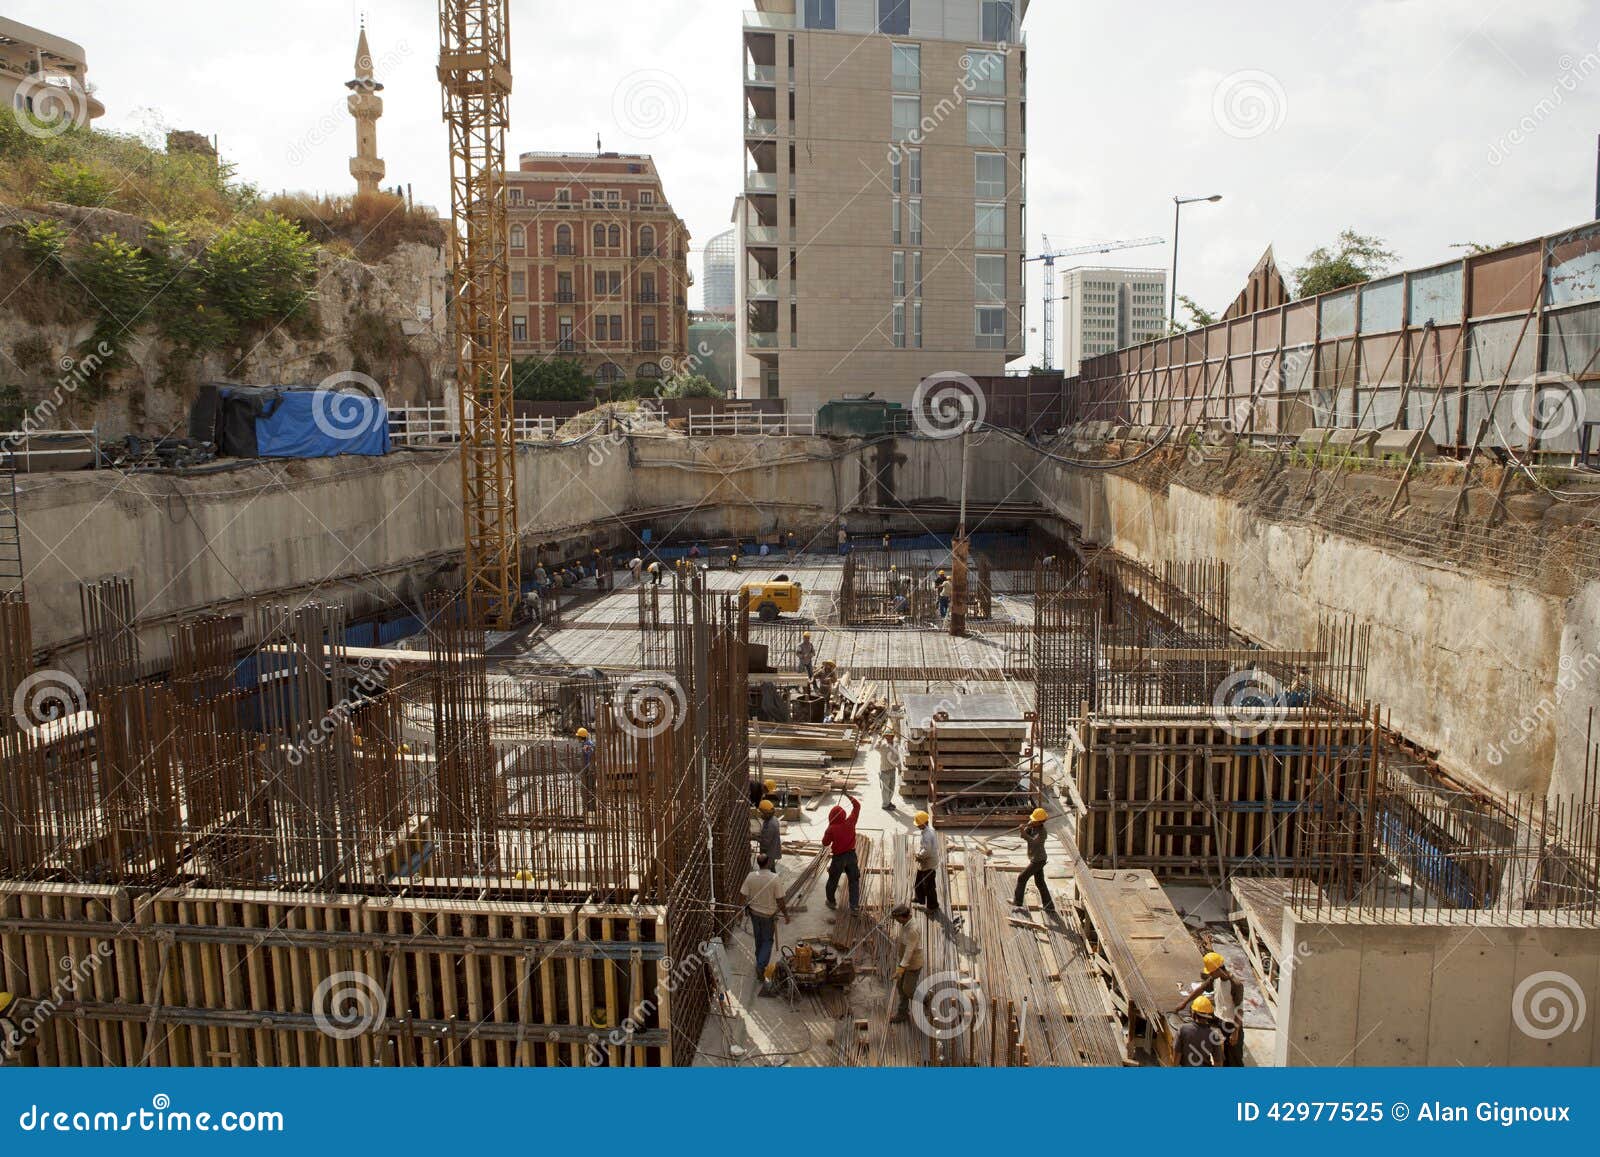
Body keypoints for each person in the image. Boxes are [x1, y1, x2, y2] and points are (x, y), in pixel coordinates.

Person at [1176, 953, 1245, 1067]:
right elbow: (1201, 989)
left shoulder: (1235, 984)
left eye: (1212, 972)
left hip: (1231, 1025)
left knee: (1234, 1059)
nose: (1210, 974)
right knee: (1222, 1055)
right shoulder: (1215, 979)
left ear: (1219, 969)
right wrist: (1184, 1003)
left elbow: (1239, 1010)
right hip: (1219, 1020)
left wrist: (1235, 1032)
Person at [740, 854, 790, 989]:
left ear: (758, 863)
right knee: (767, 940)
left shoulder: (751, 876)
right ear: (768, 863)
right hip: (768, 916)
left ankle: (759, 960)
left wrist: (743, 909)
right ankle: (761, 966)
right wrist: (786, 914)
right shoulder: (774, 878)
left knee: (759, 938)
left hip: (754, 914)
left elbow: (743, 894)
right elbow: (780, 900)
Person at [821, 793, 862, 912]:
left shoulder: (831, 829)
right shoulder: (851, 821)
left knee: (833, 880)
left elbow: (825, 843)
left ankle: (831, 902)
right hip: (851, 856)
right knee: (854, 881)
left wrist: (828, 829)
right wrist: (847, 795)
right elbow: (857, 806)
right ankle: (854, 906)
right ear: (843, 814)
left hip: (838, 858)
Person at [1013, 808, 1056, 915]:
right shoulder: (1033, 827)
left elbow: (1033, 842)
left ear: (1040, 822)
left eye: (1034, 820)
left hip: (1038, 860)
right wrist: (1026, 827)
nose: (1032, 821)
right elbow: (1023, 836)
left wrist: (1023, 831)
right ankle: (1049, 906)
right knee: (1040, 882)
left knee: (1022, 877)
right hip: (1035, 858)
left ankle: (1018, 902)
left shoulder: (1042, 833)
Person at [888, 904, 924, 1024]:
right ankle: (902, 1013)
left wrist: (900, 970)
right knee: (900, 986)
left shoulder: (912, 930)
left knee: (908, 990)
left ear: (903, 917)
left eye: (897, 918)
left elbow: (909, 953)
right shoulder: (906, 923)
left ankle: (926, 999)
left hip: (913, 963)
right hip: (904, 961)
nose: (896, 921)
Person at [1173, 994, 1222, 1067]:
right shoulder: (1213, 1035)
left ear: (1193, 1013)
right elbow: (1218, 1063)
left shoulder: (1183, 1030)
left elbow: (1176, 1059)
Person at [912, 811, 940, 914]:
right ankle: (919, 898)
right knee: (918, 881)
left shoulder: (927, 835)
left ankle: (933, 906)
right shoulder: (928, 831)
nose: (917, 826)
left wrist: (919, 856)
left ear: (923, 824)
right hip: (926, 862)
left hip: (929, 863)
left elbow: (927, 850)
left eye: (918, 824)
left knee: (929, 886)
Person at [876, 725, 902, 810]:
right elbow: (876, 747)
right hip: (884, 771)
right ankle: (885, 805)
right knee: (885, 789)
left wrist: (899, 769)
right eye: (886, 736)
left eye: (890, 736)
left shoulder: (895, 746)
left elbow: (897, 758)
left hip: (892, 770)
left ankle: (888, 802)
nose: (888, 738)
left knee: (891, 789)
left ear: (892, 736)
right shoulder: (883, 746)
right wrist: (880, 738)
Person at [756, 798, 782, 870]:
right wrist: (758, 835)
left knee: (766, 870)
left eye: (762, 812)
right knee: (771, 868)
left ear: (766, 812)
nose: (760, 814)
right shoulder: (772, 818)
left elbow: (765, 843)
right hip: (772, 850)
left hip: (769, 853)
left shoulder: (771, 824)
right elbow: (766, 834)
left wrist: (754, 838)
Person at [577, 727, 597, 812]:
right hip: (588, 769)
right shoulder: (588, 743)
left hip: (589, 770)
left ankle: (589, 809)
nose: (577, 738)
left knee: (587, 790)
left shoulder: (587, 745)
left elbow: (591, 756)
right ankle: (590, 809)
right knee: (589, 789)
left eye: (578, 737)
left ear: (581, 737)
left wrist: (590, 769)